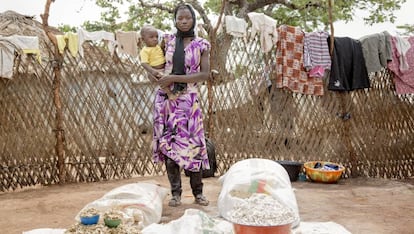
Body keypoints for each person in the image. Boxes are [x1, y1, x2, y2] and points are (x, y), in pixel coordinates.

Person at [151, 3, 211, 207]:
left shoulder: (202, 44)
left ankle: (198, 193)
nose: (183, 21)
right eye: (180, 18)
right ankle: (175, 193)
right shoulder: (166, 41)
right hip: (167, 101)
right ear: (175, 20)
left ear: (193, 19)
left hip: (188, 102)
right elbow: (157, 67)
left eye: (187, 18)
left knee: (193, 147)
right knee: (169, 147)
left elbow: (204, 74)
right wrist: (157, 76)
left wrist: (175, 77)